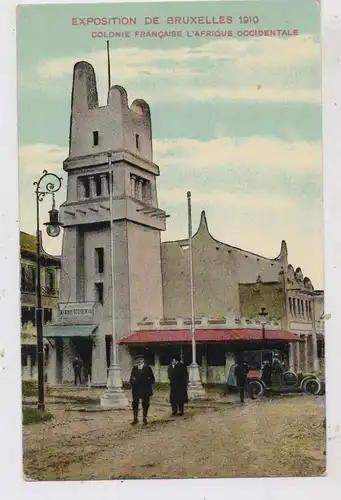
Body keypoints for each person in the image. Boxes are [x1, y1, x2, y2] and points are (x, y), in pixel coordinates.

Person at [129, 356, 155, 425]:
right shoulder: (134, 369)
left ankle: (144, 418)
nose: (139, 361)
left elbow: (152, 379)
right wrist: (133, 382)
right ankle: (135, 419)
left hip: (145, 390)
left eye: (141, 359)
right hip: (136, 390)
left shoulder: (147, 368)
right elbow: (131, 379)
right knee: (135, 404)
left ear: (143, 360)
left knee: (145, 404)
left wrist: (147, 384)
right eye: (138, 360)